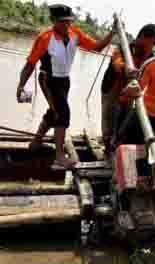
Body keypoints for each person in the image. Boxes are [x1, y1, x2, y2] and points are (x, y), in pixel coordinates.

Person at [16, 4, 115, 170]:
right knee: (63, 113)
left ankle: (37, 140)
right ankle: (59, 156)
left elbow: (97, 47)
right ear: (53, 21)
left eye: (69, 21)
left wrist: (112, 33)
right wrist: (20, 86)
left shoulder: (75, 33)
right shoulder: (45, 38)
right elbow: (30, 64)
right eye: (62, 22)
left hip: (64, 80)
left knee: (55, 110)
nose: (66, 25)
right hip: (49, 80)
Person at [101, 24, 155, 159]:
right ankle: (107, 148)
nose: (153, 46)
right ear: (142, 37)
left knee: (123, 119)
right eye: (153, 42)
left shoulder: (150, 56)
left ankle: (116, 146)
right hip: (112, 89)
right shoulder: (124, 48)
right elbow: (117, 63)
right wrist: (127, 68)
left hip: (129, 93)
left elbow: (151, 73)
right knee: (108, 118)